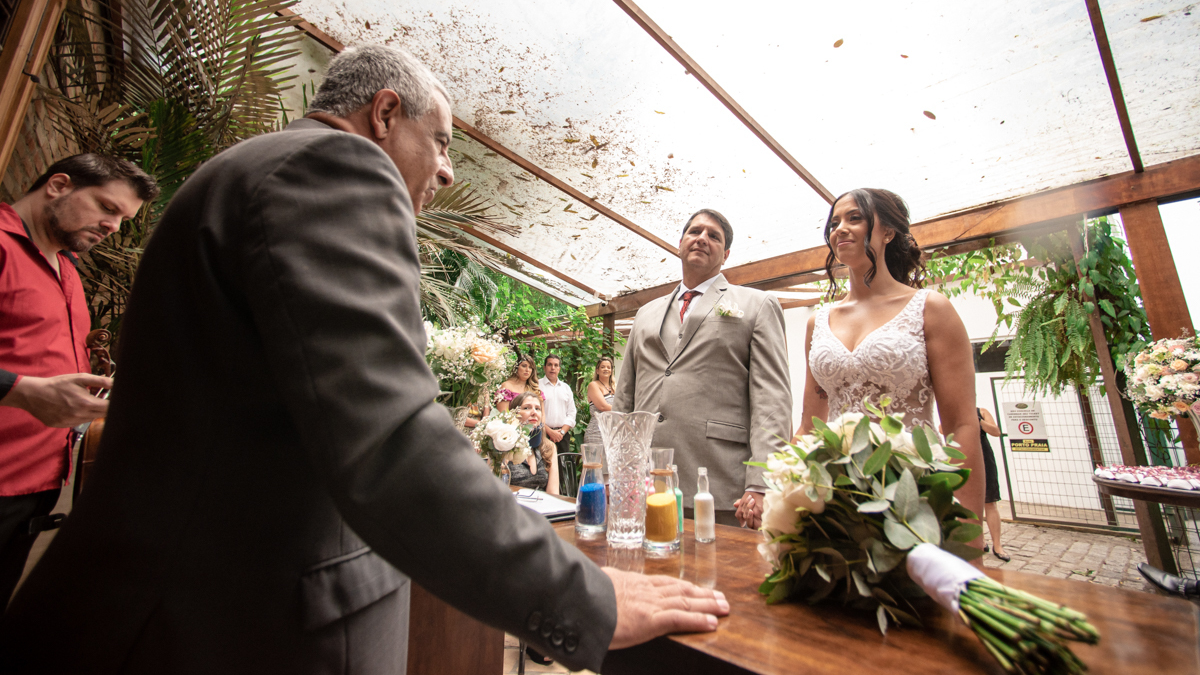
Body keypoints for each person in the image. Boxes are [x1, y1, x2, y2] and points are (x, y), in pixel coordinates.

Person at [0, 45, 727, 673]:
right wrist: (584, 598)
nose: (445, 172)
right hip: (222, 632)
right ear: (384, 115)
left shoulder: (258, 171)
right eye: (440, 142)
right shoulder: (333, 166)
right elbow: (390, 440)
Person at [0, 153, 155, 608]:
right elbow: (28, 382)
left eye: (123, 220)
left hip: (30, 490)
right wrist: (22, 390)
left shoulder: (65, 268)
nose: (115, 228)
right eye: (108, 208)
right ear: (58, 185)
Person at [799, 187, 985, 527]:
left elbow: (962, 425)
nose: (840, 228)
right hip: (837, 496)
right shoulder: (818, 321)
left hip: (913, 491)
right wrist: (786, 489)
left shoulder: (930, 309)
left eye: (855, 218)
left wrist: (969, 528)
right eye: (834, 222)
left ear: (888, 232)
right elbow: (810, 426)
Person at [613, 209, 792, 530]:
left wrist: (763, 482)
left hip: (721, 483)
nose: (702, 238)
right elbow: (624, 396)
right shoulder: (646, 313)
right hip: (645, 482)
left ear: (725, 254)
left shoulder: (757, 305)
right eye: (695, 231)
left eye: (714, 235)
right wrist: (620, 469)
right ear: (680, 243)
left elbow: (772, 398)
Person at [507, 391, 559, 495]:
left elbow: (553, 493)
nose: (534, 412)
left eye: (537, 409)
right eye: (526, 408)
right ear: (515, 414)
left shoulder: (549, 447)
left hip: (543, 507)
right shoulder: (504, 444)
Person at [977, 407, 1009, 561]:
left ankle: (997, 545)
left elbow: (996, 431)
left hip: (984, 457)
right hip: (964, 457)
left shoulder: (981, 412)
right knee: (970, 504)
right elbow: (943, 430)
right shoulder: (955, 410)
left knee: (990, 502)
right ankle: (980, 541)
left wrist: (978, 420)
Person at [539, 354, 575, 456]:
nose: (553, 368)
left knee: (562, 469)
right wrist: (549, 432)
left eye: (556, 365)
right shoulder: (537, 386)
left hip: (562, 436)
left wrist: (561, 433)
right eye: (550, 364)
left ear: (559, 368)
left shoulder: (566, 388)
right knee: (544, 468)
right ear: (544, 367)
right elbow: (535, 413)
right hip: (543, 434)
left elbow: (572, 413)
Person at [582, 356, 615, 448]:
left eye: (608, 367)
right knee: (597, 462)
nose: (606, 369)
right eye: (603, 367)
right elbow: (603, 407)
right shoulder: (593, 385)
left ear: (612, 371)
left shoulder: (615, 387)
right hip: (597, 432)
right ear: (597, 370)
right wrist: (623, 410)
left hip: (611, 433)